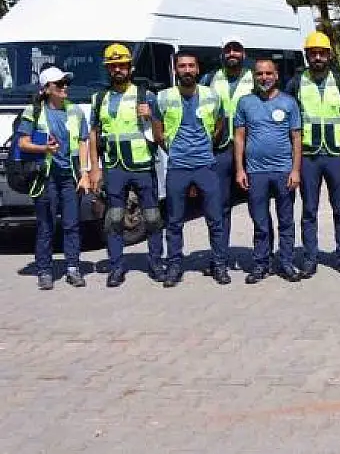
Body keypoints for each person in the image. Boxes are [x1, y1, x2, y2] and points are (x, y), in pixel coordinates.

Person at [88, 44, 165, 287]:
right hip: (114, 166)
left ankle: (155, 263)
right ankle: (116, 267)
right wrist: (94, 168)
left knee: (152, 218)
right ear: (108, 70)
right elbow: (94, 134)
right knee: (114, 218)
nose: (117, 70)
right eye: (113, 66)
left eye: (122, 65)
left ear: (130, 67)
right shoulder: (99, 98)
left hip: (142, 164)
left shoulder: (146, 95)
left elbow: (160, 132)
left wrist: (150, 116)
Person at [153, 52, 228, 287]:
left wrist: (204, 149)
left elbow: (219, 126)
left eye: (191, 66)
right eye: (182, 66)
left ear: (197, 70)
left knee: (215, 219)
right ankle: (175, 265)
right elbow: (158, 133)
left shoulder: (212, 96)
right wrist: (177, 151)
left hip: (206, 165)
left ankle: (219, 264)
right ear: (175, 70)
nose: (187, 70)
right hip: (178, 166)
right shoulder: (163, 97)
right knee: (174, 221)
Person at [18, 67, 92, 290]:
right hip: (44, 177)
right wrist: (43, 148)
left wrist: (85, 173)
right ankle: (44, 271)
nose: (64, 87)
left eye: (65, 83)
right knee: (46, 225)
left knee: (72, 224)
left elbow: (83, 141)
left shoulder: (75, 111)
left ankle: (73, 269)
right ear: (47, 89)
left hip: (68, 177)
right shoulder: (34, 112)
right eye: (59, 84)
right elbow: (22, 143)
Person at [287, 31, 340, 279]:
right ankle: (310, 258)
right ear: (307, 56)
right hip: (309, 156)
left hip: (335, 155)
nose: (317, 57)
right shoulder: (296, 83)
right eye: (313, 53)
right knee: (309, 210)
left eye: (321, 53)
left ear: (329, 55)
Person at [234, 58, 303, 284]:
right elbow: (240, 137)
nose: (264, 78)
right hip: (256, 172)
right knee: (260, 222)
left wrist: (295, 170)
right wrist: (239, 169)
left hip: (283, 171)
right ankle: (261, 263)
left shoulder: (289, 102)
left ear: (276, 75)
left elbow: (296, 138)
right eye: (259, 74)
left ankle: (286, 262)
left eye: (268, 73)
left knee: (286, 221)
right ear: (254, 76)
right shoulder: (245, 103)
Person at [203, 36, 253, 269]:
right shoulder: (210, 78)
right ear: (223, 53)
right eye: (228, 50)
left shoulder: (256, 77)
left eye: (237, 50)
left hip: (251, 150)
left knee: (258, 204)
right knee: (220, 206)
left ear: (243, 53)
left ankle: (261, 257)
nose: (232, 54)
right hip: (221, 149)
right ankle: (219, 258)